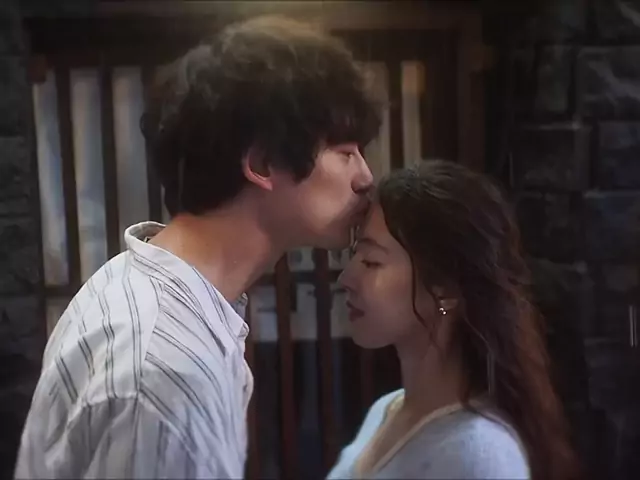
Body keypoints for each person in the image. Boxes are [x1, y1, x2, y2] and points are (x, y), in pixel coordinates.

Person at [15, 15, 381, 479]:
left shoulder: (131, 283)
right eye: (345, 152)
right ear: (263, 164)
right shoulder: (166, 375)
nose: (365, 177)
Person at [328, 160, 580, 480]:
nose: (347, 278)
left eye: (371, 262)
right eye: (355, 256)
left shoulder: (478, 452)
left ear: (445, 290)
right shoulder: (386, 410)